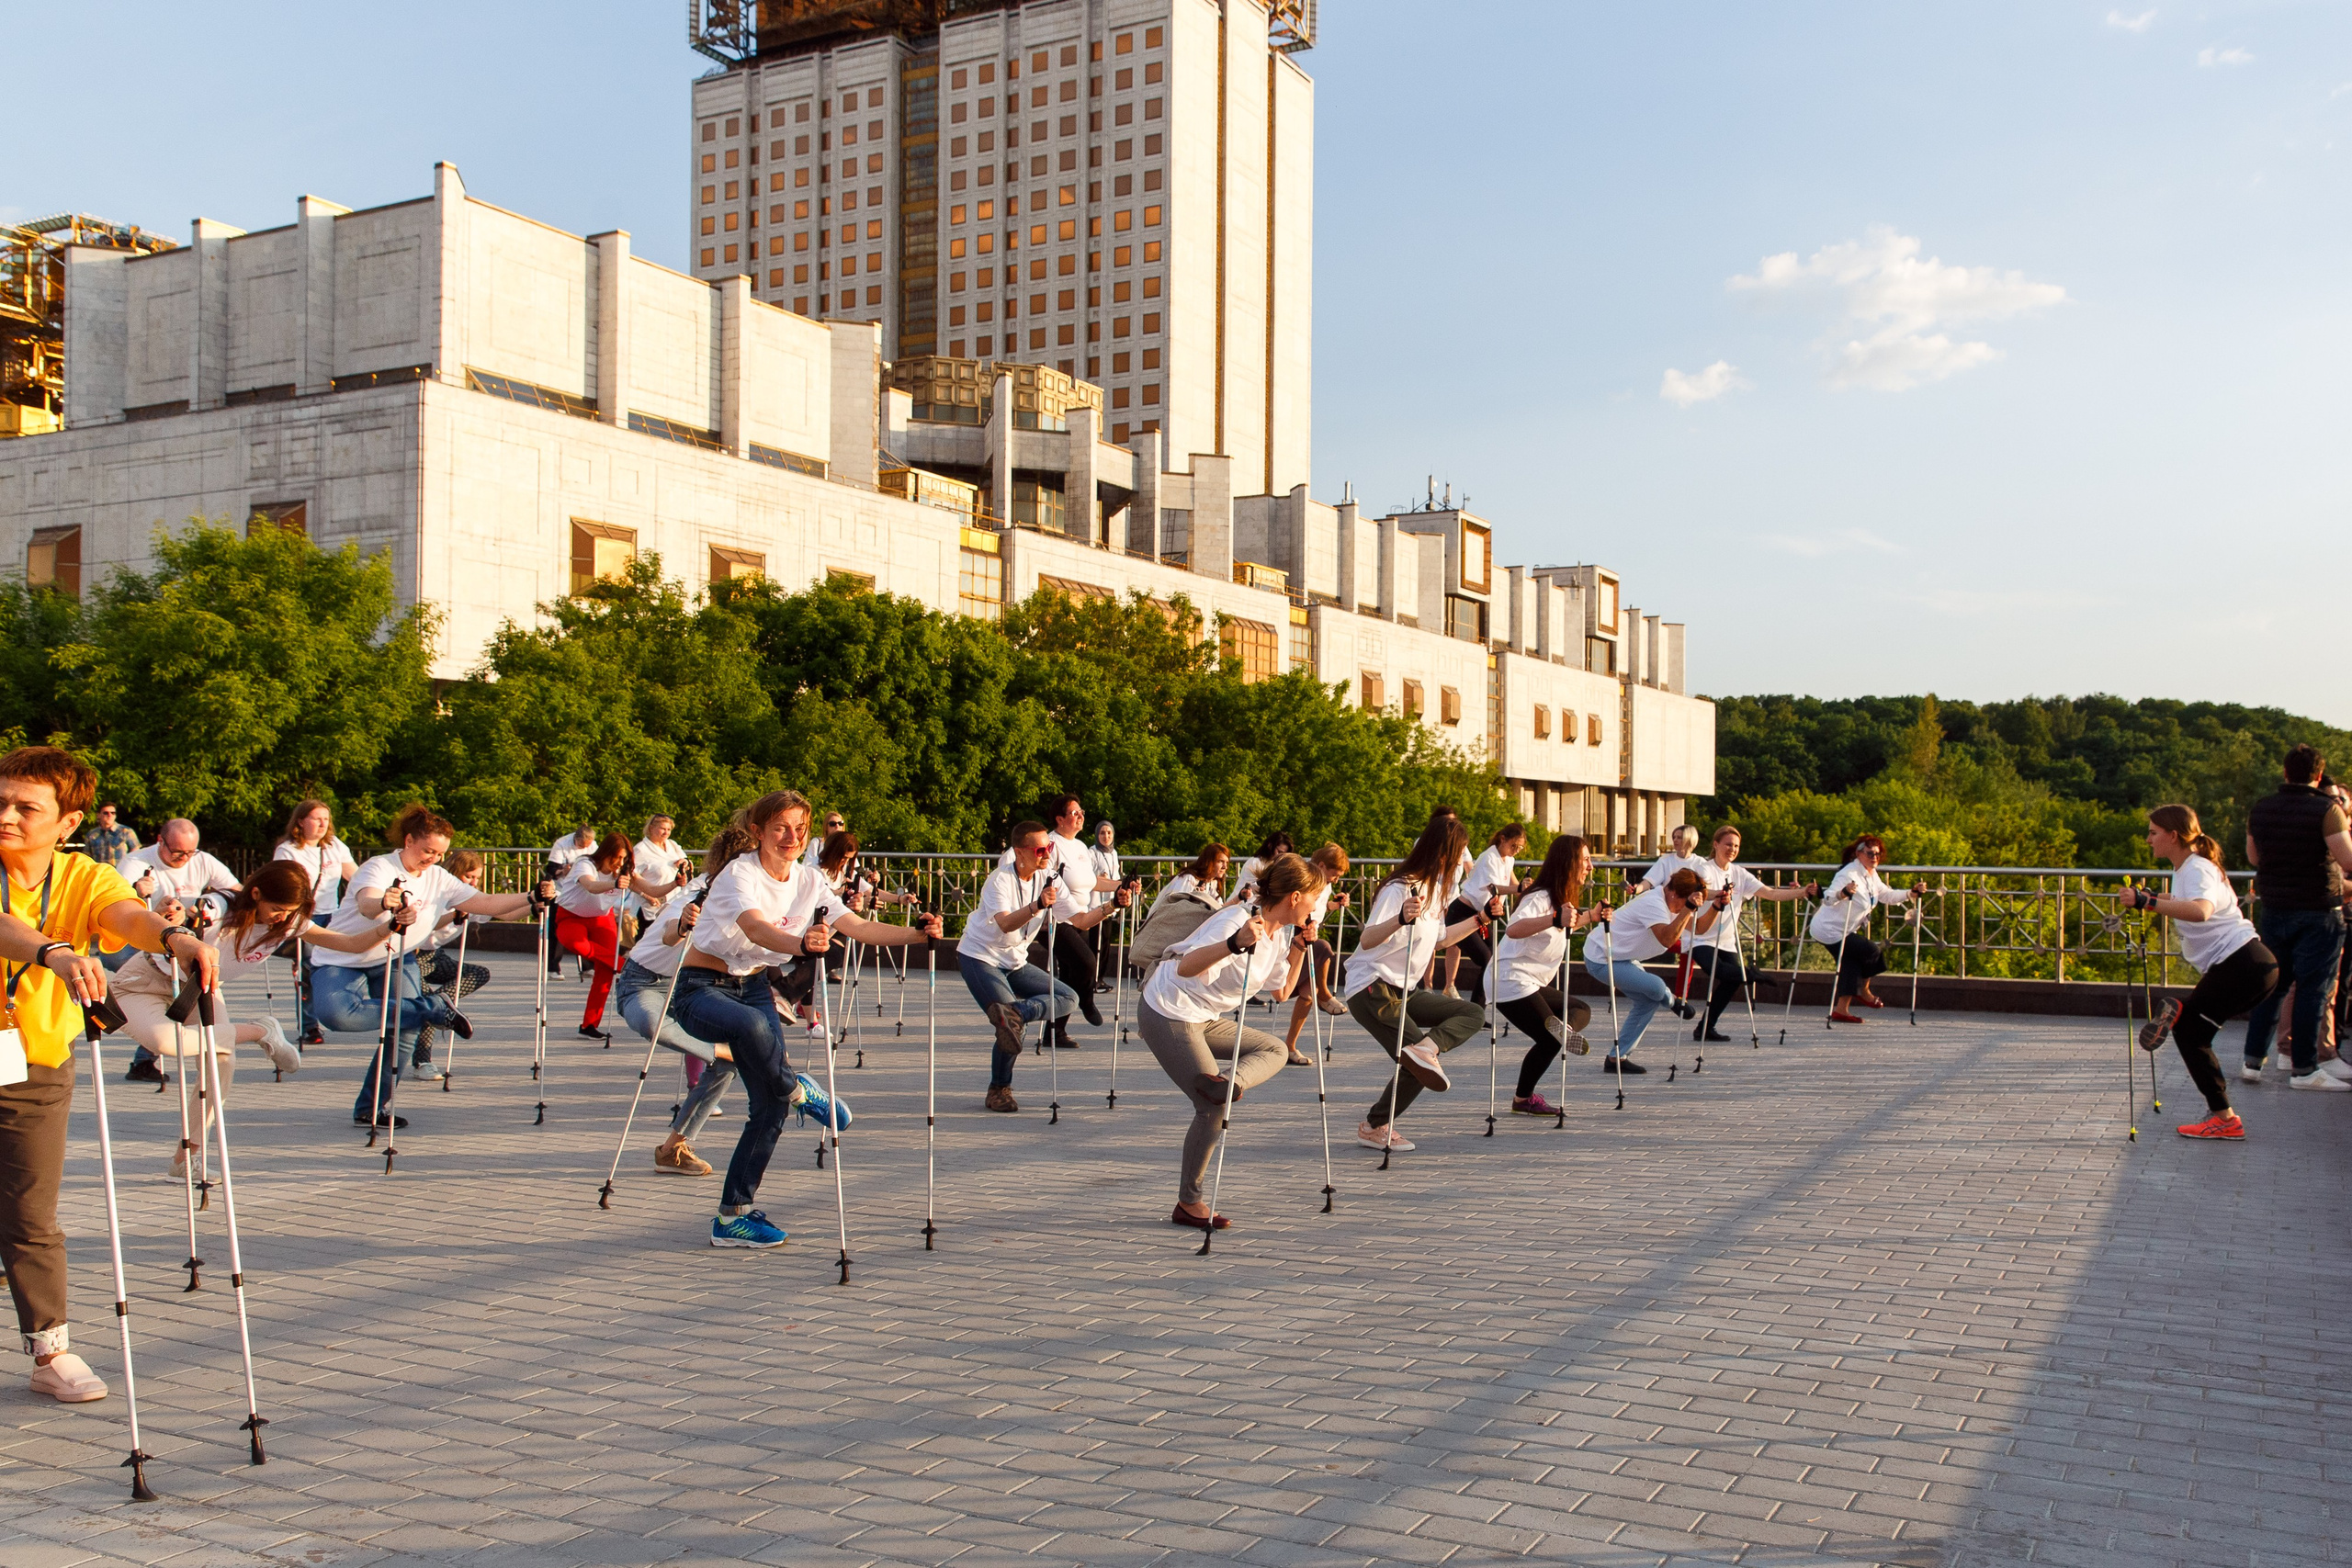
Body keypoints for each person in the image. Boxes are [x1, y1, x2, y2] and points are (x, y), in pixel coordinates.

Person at [0, 745, 220, 1404]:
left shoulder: (83, 874)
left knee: (30, 1212)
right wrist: (53, 951)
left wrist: (173, 939)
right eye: (0, 800)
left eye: (25, 807)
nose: (6, 815)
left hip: (32, 1061)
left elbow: (123, 915)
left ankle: (50, 1351)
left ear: (68, 822)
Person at [673, 789, 939, 1249]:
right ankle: (800, 1089)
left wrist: (917, 934)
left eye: (799, 828)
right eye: (780, 828)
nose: (791, 837)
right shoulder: (740, 874)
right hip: (701, 987)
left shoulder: (809, 879)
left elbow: (855, 925)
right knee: (756, 1030)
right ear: (757, 832)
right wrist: (802, 946)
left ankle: (732, 1215)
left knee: (769, 1106)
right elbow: (755, 927)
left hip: (753, 984)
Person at [114, 863, 392, 1164]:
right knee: (167, 1042)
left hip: (200, 986)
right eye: (277, 908)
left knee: (221, 1063)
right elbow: (191, 907)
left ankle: (188, 1157)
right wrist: (174, 909)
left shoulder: (289, 922)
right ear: (256, 893)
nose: (282, 917)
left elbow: (349, 944)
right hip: (145, 980)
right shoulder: (222, 906)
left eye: (290, 911)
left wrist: (388, 927)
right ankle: (262, 1030)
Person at [311, 805, 548, 1129]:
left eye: (439, 853)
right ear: (408, 841)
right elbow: (367, 905)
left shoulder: (439, 877)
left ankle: (371, 1108)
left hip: (395, 958)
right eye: (428, 851)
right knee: (335, 1015)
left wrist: (531, 896)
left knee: (405, 1032)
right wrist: (385, 902)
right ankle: (434, 1007)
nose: (433, 858)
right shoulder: (379, 867)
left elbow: (488, 904)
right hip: (342, 957)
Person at [1137, 852, 1323, 1231]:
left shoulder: (1279, 934)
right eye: (1314, 897)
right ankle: (1188, 1204)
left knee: (1274, 1048)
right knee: (1212, 1110)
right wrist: (1234, 944)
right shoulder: (1236, 919)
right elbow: (1186, 966)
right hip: (1168, 1008)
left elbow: (1283, 992)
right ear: (1294, 898)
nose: (1316, 905)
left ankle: (1229, 1082)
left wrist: (1302, 946)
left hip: (1203, 1017)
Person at [1343, 814, 1499, 1153]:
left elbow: (1441, 939)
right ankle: (1374, 1126)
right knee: (1416, 1066)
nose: (1463, 863)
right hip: (1373, 986)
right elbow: (1368, 939)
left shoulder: (1435, 891)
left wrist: (1481, 918)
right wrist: (1400, 918)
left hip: (1405, 991)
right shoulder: (1401, 887)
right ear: (1442, 854)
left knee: (1471, 1015)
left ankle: (1425, 1050)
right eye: (1459, 855)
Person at [618, 821, 759, 1179]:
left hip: (692, 985)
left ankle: (672, 1150)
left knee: (728, 1064)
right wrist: (682, 926)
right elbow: (668, 933)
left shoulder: (750, 900)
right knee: (653, 1024)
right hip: (642, 984)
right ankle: (723, 1050)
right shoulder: (695, 895)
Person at [2129, 806, 2279, 1137]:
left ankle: (2225, 1121)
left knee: (2191, 1033)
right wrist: (2152, 896)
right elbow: (2185, 900)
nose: (2148, 839)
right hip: (2244, 965)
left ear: (2172, 835)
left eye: (2154, 832)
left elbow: (2200, 911)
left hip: (2242, 964)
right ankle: (2223, 1117)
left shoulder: (2197, 868)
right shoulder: (2185, 868)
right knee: (2192, 1030)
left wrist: (2147, 903)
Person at [2242, 744, 2352, 1086]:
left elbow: (2253, 859)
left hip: (2274, 908)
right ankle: (2305, 1069)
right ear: (2318, 776)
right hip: (2319, 910)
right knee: (2312, 989)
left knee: (2272, 986)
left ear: (2285, 772)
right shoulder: (2326, 809)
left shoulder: (2261, 808)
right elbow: (2348, 861)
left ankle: (2252, 1062)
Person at [958, 821, 1077, 1112]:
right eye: (1040, 849)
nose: (1046, 854)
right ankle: (999, 1088)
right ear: (1020, 852)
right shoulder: (999, 880)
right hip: (980, 956)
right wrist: (1037, 905)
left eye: (1048, 847)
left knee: (1068, 998)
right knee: (1013, 1031)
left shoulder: (1049, 877)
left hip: (1014, 961)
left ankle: (1018, 1012)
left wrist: (1114, 904)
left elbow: (1081, 919)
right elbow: (1005, 922)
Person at [114, 818, 243, 1078]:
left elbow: (236, 889)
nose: (184, 858)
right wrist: (136, 891)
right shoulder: (135, 862)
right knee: (159, 991)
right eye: (177, 852)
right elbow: (116, 904)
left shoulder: (203, 860)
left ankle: (147, 1059)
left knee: (186, 993)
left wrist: (210, 903)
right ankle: (148, 1054)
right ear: (160, 842)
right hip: (143, 941)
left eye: (189, 852)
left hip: (188, 942)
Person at [1491, 834, 1606, 1115]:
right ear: (1569, 863)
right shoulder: (1540, 896)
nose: (1590, 866)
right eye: (1586, 860)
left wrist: (1592, 915)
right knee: (1549, 1038)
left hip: (1529, 980)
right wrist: (1555, 918)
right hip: (1510, 978)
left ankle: (1561, 1033)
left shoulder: (1560, 896)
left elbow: (1563, 926)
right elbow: (1513, 929)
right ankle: (1524, 1098)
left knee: (1579, 1009)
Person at [1688, 827, 1815, 1043]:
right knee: (1719, 971)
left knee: (1732, 981)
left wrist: (1802, 892)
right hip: (1700, 935)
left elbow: (1771, 893)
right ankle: (1752, 973)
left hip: (1726, 939)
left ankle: (1705, 1028)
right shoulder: (1704, 868)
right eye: (1728, 844)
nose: (1732, 849)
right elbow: (1699, 891)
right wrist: (1720, 893)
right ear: (1716, 844)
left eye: (1736, 846)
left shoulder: (1739, 873)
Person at [1584, 868, 1717, 1071]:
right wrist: (1687, 908)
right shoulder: (1654, 903)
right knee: (1656, 987)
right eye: (1684, 902)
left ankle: (1616, 1059)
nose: (1684, 908)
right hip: (1601, 957)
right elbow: (1666, 938)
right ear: (1674, 894)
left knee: (1648, 1001)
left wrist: (1716, 906)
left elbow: (1699, 928)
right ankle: (1672, 1000)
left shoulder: (1671, 904)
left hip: (1622, 957)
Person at [1031, 795, 1121, 1047]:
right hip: (1055, 921)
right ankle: (1086, 998)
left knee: (1070, 974)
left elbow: (1092, 882)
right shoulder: (1052, 843)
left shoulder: (1081, 847)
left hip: (1080, 917)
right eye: (1073, 813)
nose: (1080, 816)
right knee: (1086, 962)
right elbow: (1041, 874)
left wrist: (1119, 885)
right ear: (1060, 819)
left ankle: (1055, 1031)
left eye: (1081, 811)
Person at [1810, 836, 1926, 1024]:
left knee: (1851, 962)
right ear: (1858, 853)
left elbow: (1886, 895)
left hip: (1844, 930)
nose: (1874, 857)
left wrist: (1910, 893)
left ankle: (1841, 1010)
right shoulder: (1849, 874)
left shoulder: (1871, 873)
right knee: (1871, 950)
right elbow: (1827, 899)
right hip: (1830, 930)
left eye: (1877, 854)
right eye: (1870, 853)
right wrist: (1843, 893)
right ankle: (1864, 991)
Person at [274, 800, 360, 1046]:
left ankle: (339, 1007)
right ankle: (310, 1026)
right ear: (300, 821)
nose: (323, 824)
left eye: (326, 818)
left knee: (335, 965)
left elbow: (354, 875)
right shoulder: (288, 850)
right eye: (316, 818)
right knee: (309, 971)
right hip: (305, 917)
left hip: (332, 915)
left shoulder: (334, 846)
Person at [410, 850, 493, 1081]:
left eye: (477, 878)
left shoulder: (468, 897)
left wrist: (533, 901)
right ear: (455, 872)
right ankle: (422, 1062)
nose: (474, 882)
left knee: (479, 973)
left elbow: (501, 910)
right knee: (429, 1009)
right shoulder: (436, 893)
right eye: (469, 876)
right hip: (411, 956)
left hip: (435, 956)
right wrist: (455, 915)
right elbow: (427, 924)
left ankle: (441, 1002)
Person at [1272, 842, 1352, 1066]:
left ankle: (1290, 1045)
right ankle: (1324, 994)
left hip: (1307, 934)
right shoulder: (1305, 880)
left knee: (1308, 994)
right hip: (1292, 936)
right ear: (1321, 865)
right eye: (1334, 875)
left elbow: (1319, 907)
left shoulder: (1323, 883)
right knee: (1324, 948)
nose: (1335, 880)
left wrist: (1334, 906)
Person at [555, 832, 639, 1042]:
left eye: (623, 859)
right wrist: (615, 884)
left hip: (602, 918)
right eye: (616, 857)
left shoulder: (622, 871)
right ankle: (621, 963)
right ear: (605, 853)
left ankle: (589, 1025)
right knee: (575, 943)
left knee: (605, 973)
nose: (619, 863)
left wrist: (675, 883)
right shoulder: (585, 863)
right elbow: (591, 886)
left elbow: (651, 889)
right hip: (571, 916)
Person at [1444, 824, 1526, 1002]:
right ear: (1502, 839)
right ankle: (1475, 1009)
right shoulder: (1489, 857)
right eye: (1514, 846)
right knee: (1487, 959)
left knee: (1494, 960)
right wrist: (1519, 888)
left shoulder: (1508, 860)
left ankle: (1478, 1009)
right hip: (1463, 913)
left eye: (1519, 848)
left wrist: (1528, 890)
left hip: (1483, 915)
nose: (1516, 851)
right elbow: (1493, 888)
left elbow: (1514, 883)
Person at [626, 814, 692, 946]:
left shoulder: (672, 845)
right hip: (650, 905)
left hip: (673, 901)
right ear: (651, 828)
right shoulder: (641, 850)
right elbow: (629, 878)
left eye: (669, 829)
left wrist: (683, 862)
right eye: (662, 829)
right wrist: (646, 895)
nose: (666, 832)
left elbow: (688, 862)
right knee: (648, 942)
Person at [546, 823, 596, 976]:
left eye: (586, 845)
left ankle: (587, 966)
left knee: (585, 930)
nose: (584, 847)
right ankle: (553, 968)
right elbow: (551, 869)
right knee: (558, 931)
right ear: (576, 839)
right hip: (562, 891)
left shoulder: (593, 845)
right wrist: (563, 870)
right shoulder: (562, 844)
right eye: (581, 844)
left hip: (583, 891)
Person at [1148, 843, 1228, 919]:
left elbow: (1220, 909)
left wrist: (1238, 898)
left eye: (1226, 862)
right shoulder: (1189, 878)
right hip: (1162, 925)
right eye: (1220, 861)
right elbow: (1177, 908)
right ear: (1209, 862)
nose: (1225, 867)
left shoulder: (1210, 883)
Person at [1628, 825, 1706, 897]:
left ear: (1689, 840)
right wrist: (1636, 889)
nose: (1675, 840)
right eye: (1674, 837)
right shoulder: (1666, 860)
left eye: (1679, 838)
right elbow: (1650, 881)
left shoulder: (1700, 862)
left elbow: (1706, 888)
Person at [79, 803, 137, 869]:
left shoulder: (126, 831)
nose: (110, 815)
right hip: (100, 873)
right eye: (106, 813)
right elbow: (86, 857)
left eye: (113, 813)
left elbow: (135, 853)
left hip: (120, 873)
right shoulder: (91, 835)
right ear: (98, 815)